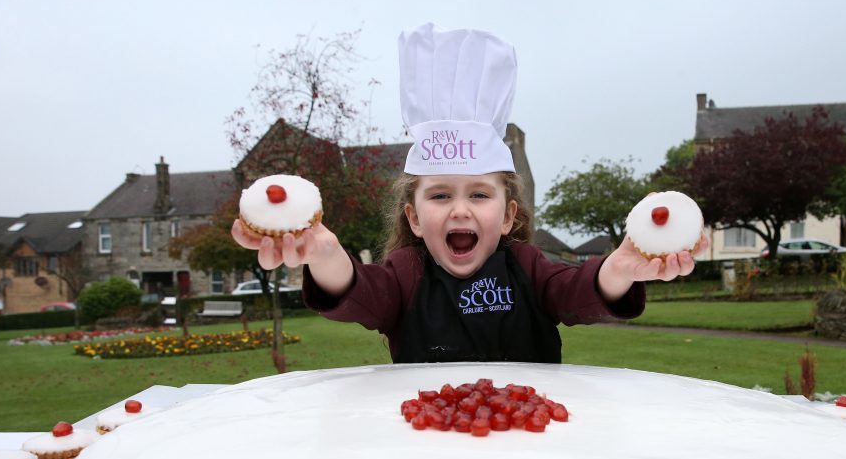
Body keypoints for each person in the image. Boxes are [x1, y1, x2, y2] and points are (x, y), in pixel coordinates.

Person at [232, 24, 706, 363]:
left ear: (507, 215)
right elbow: (361, 290)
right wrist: (324, 252)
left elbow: (573, 293)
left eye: (479, 195)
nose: (460, 208)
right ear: (414, 219)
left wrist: (620, 266)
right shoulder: (405, 274)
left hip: (531, 441)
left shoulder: (527, 266)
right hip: (429, 446)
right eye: (439, 196)